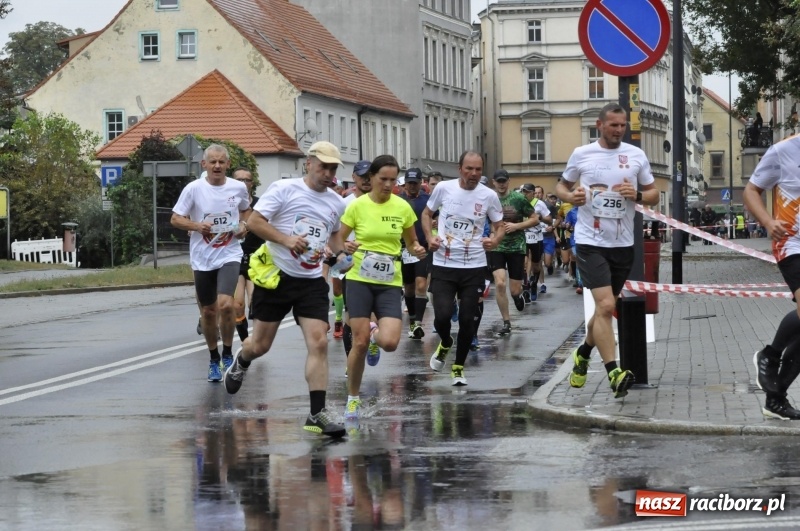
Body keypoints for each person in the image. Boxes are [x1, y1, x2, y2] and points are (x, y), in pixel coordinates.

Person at [223, 141, 348, 438]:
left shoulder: (336, 202)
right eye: (324, 166)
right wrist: (286, 240)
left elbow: (333, 240)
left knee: (318, 342)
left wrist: (341, 253)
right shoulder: (285, 190)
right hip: (276, 277)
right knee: (260, 346)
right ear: (309, 163)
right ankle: (242, 360)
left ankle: (317, 413)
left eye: (333, 168)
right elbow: (253, 222)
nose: (328, 173)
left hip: (311, 281)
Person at [556, 102, 659, 399]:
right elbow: (562, 186)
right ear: (600, 125)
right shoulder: (582, 154)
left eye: (622, 125)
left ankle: (583, 353)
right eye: (613, 125)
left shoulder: (636, 155)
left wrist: (637, 195)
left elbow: (653, 193)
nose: (618, 130)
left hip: (623, 244)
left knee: (604, 309)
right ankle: (614, 371)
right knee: (604, 306)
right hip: (591, 242)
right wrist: (571, 196)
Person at [336, 155, 426, 421]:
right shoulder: (356, 206)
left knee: (389, 342)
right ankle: (353, 399)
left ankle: (376, 335)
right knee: (359, 342)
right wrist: (345, 247)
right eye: (383, 179)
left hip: (389, 281)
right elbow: (338, 239)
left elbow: (411, 243)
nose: (388, 185)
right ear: (371, 178)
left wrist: (417, 249)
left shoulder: (402, 208)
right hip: (359, 278)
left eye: (392, 180)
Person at [422, 151, 504, 386]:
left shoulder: (488, 195)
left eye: (478, 169)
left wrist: (495, 241)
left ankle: (458, 367)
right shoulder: (444, 189)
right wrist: (430, 238)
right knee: (443, 316)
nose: (474, 174)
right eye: (469, 169)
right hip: (444, 263)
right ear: (460, 169)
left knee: (468, 320)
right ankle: (446, 341)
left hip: (474, 266)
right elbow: (427, 214)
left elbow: (499, 225)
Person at [171, 144, 251, 382]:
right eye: (212, 162)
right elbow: (175, 218)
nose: (217, 166)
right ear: (204, 165)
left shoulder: (237, 188)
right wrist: (197, 226)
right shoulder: (194, 189)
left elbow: (247, 212)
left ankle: (228, 353)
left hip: (229, 253)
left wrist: (244, 226)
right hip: (202, 257)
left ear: (228, 165)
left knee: (227, 305)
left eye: (221, 162)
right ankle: (214, 358)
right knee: (208, 311)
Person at [744, 134, 800, 419]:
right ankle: (771, 353)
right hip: (792, 243)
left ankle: (775, 399)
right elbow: (751, 190)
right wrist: (767, 221)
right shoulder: (782, 151)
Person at [487, 169, 537, 335]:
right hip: (497, 246)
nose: (501, 185)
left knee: (514, 289)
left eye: (504, 181)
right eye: (498, 182)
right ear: (494, 182)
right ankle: (506, 321)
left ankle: (518, 296)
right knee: (500, 283)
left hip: (516, 246)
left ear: (508, 182)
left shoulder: (518, 198)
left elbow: (534, 218)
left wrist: (517, 226)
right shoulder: (488, 198)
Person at [337, 160, 373, 359]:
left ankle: (373, 341)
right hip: (351, 266)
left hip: (378, 268)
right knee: (351, 315)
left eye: (370, 176)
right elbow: (333, 234)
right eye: (362, 176)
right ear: (354, 178)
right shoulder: (344, 204)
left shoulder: (383, 203)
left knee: (373, 315)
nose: (367, 180)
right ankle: (350, 361)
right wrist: (342, 247)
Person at [398, 167, 432, 340]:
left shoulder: (427, 200)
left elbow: (438, 216)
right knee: (409, 288)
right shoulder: (397, 200)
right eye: (409, 183)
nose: (412, 186)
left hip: (422, 248)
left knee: (421, 285)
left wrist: (433, 225)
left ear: (421, 183)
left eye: (415, 183)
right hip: (403, 250)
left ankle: (418, 323)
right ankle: (412, 320)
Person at [231, 168, 261, 343]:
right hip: (234, 258)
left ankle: (257, 341)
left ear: (252, 183)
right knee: (237, 305)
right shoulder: (227, 204)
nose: (243, 183)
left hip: (256, 259)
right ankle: (245, 341)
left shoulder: (260, 204)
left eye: (247, 180)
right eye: (239, 180)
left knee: (255, 302)